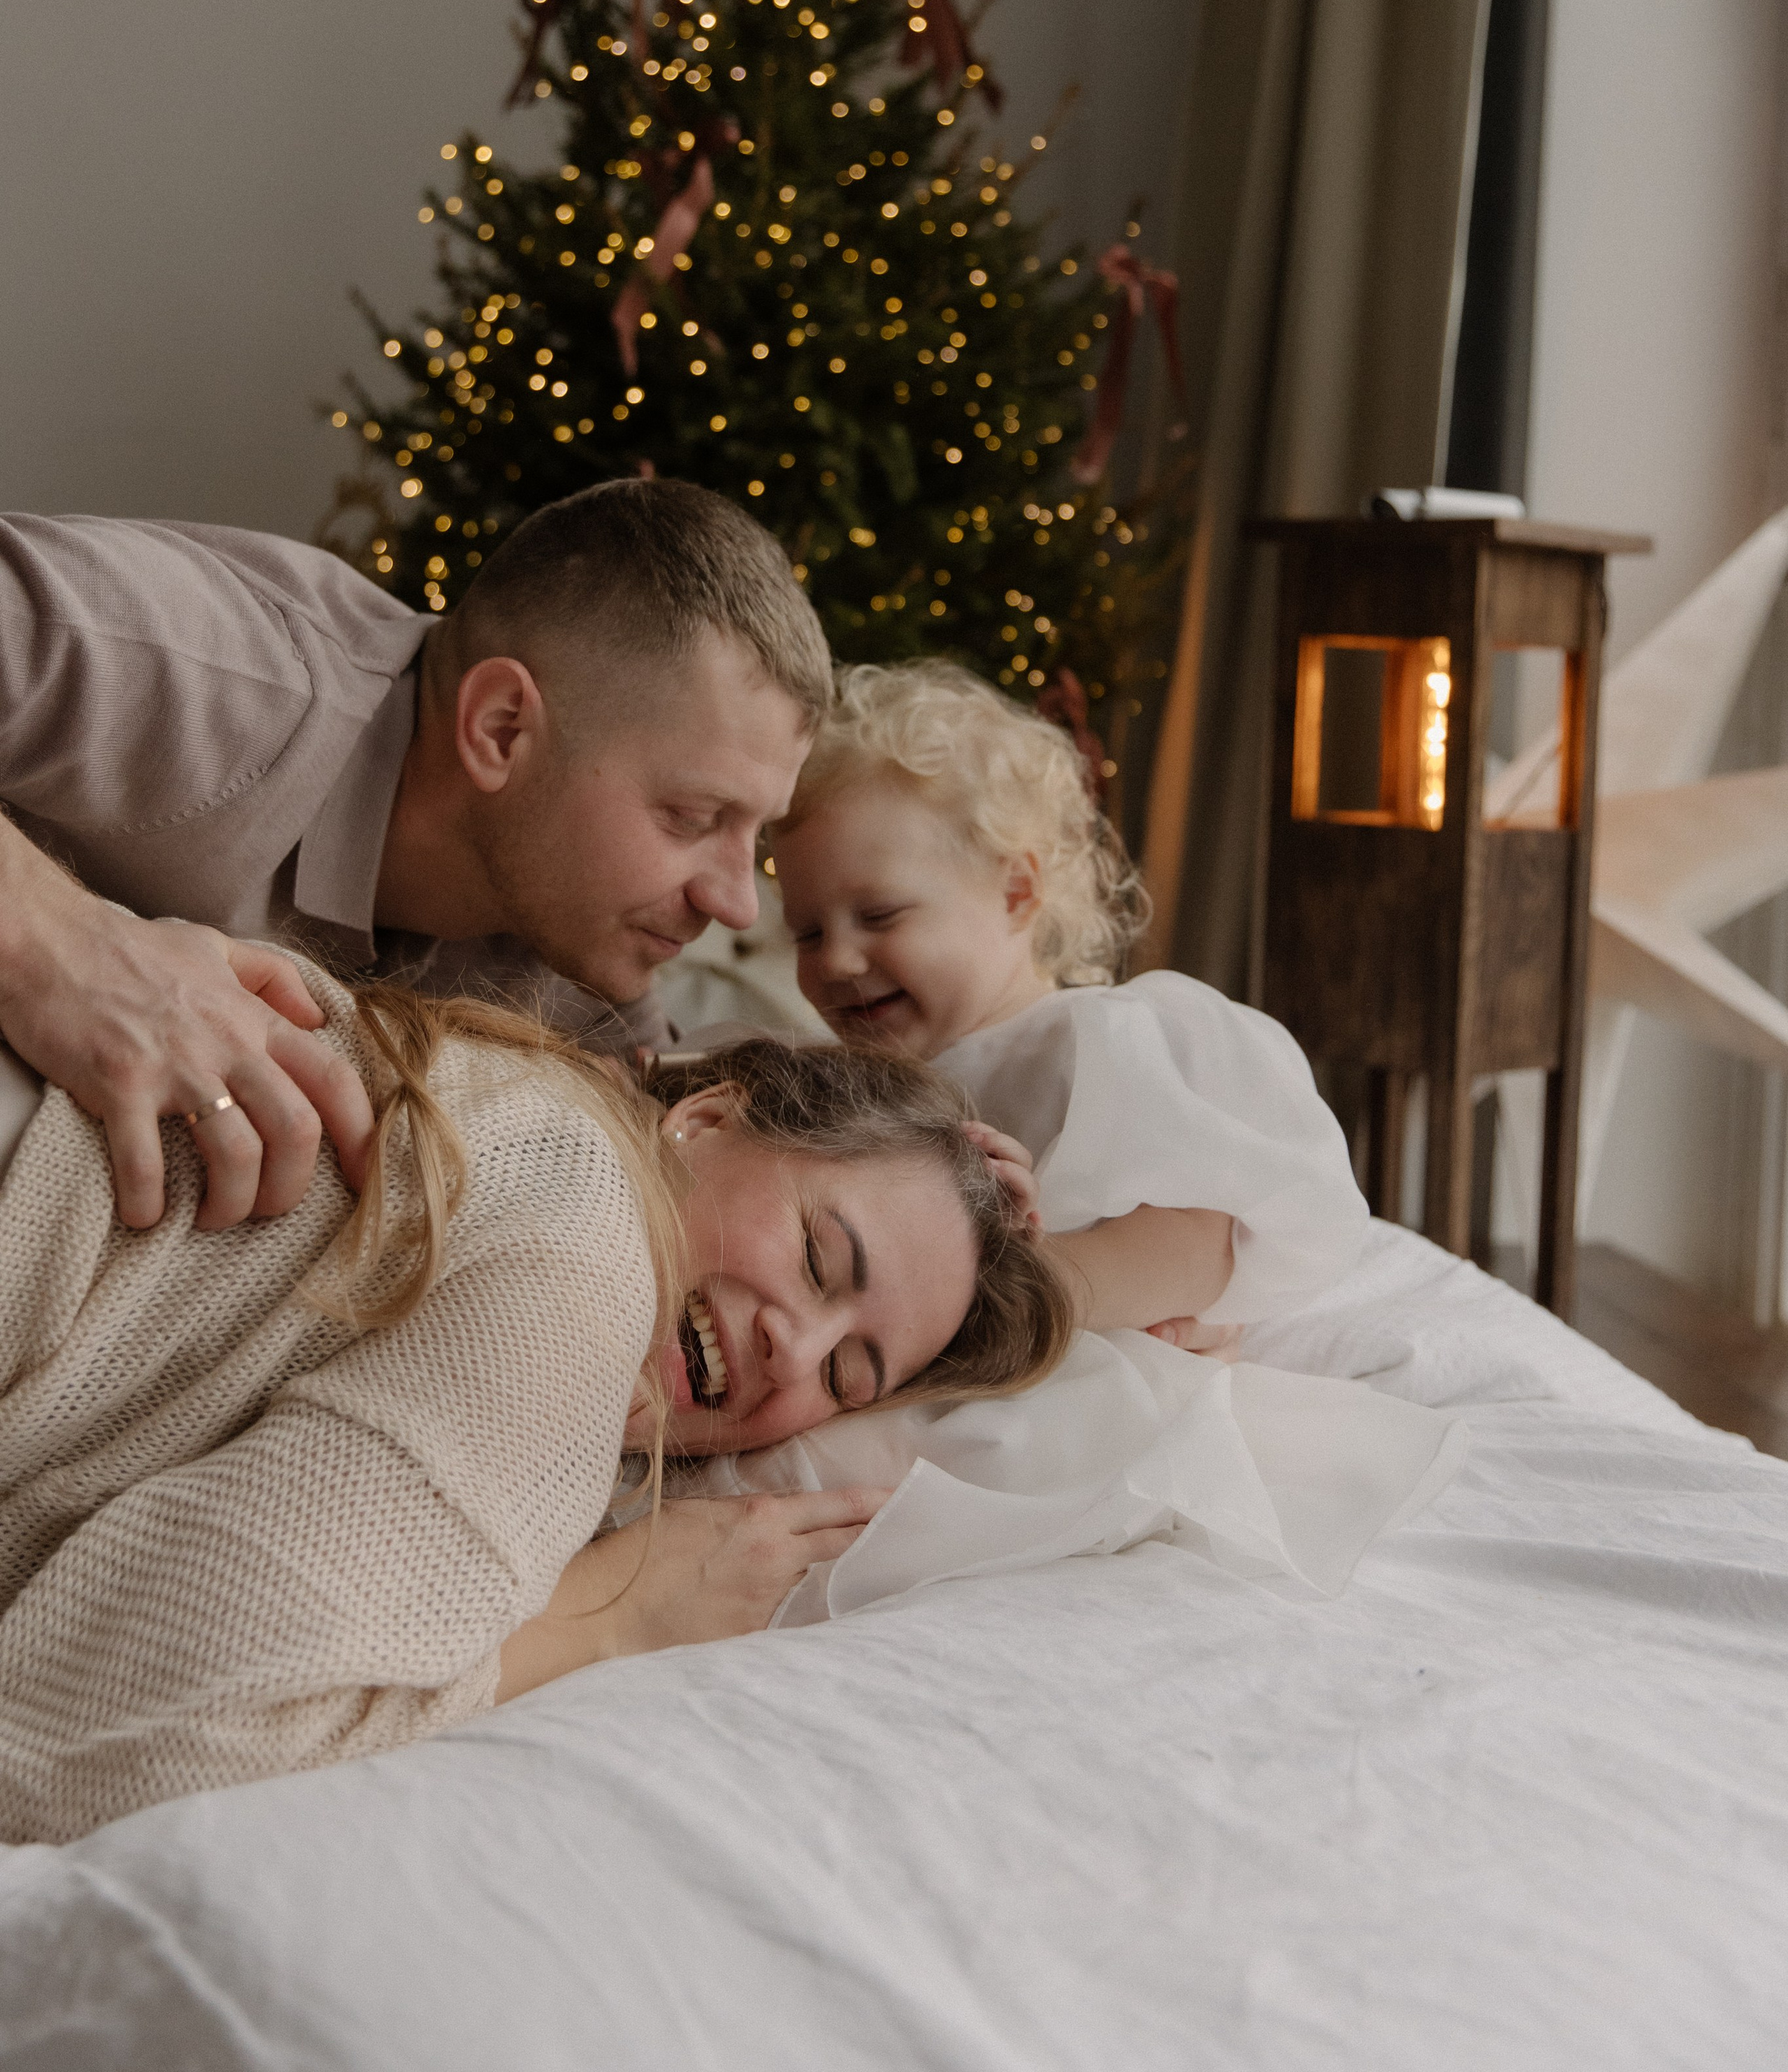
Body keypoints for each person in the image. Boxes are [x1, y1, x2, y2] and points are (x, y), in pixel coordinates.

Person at [0, 971, 1071, 1845]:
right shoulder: (588, 1270)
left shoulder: (515, 1108)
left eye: (845, 1379)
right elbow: (115, 1755)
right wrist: (604, 1616)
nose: (796, 1350)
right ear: (703, 1119)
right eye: (817, 1258)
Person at [0, 479, 830, 1232]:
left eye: (756, 836)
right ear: (501, 729)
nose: (736, 904)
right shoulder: (217, 671)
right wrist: (63, 947)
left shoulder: (575, 958)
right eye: (692, 817)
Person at [772, 661, 1369, 1340]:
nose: (836, 961)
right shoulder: (843, 1087)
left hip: (1059, 1344)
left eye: (879, 916)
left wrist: (1027, 1296)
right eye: (806, 933)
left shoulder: (1099, 1045)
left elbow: (1208, 1234)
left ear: (1015, 893)